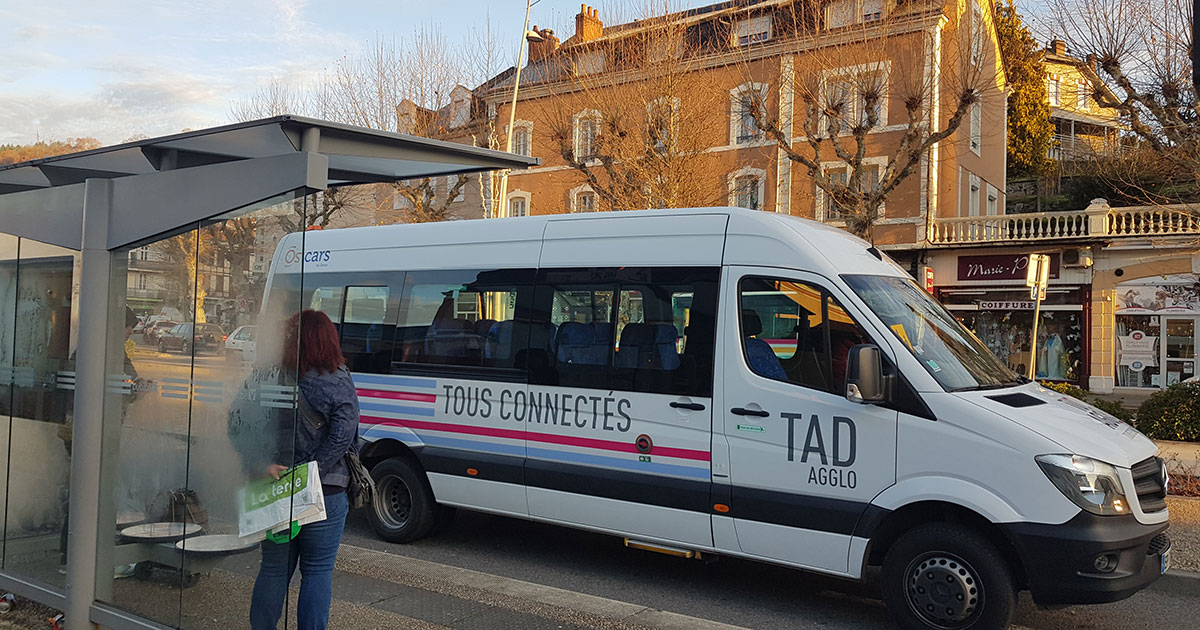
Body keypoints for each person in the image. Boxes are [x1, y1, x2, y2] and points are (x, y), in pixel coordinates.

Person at [249, 309, 358, 630]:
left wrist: (261, 464)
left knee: (273, 569)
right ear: (329, 339)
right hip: (327, 491)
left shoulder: (266, 376)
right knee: (318, 570)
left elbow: (239, 425)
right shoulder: (339, 379)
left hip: (276, 485)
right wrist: (312, 474)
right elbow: (344, 435)